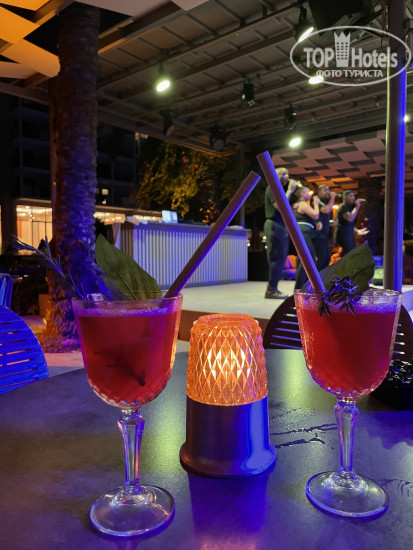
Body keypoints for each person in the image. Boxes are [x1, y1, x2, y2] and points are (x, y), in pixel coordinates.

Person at [263, 166, 297, 299]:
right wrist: (290, 191)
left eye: (287, 174)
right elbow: (279, 206)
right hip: (274, 224)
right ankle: (271, 290)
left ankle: (274, 288)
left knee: (281, 257)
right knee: (276, 257)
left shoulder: (279, 189)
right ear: (275, 176)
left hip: (280, 225)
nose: (287, 177)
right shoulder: (273, 187)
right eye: (284, 174)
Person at [292, 185, 320, 289]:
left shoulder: (298, 204)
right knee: (308, 259)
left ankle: (301, 287)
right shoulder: (302, 204)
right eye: (308, 192)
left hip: (303, 233)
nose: (310, 194)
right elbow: (315, 215)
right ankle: (299, 287)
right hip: (304, 233)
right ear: (302, 193)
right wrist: (316, 204)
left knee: (304, 259)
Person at [334, 190, 369, 256]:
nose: (353, 198)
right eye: (351, 196)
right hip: (343, 236)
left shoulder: (348, 207)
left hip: (348, 236)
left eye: (353, 196)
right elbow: (350, 218)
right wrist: (357, 207)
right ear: (344, 197)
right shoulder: (343, 207)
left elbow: (347, 224)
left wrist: (357, 231)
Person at [313, 184, 336, 271]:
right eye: (325, 190)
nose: (328, 192)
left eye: (328, 190)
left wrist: (331, 223)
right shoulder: (317, 201)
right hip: (318, 235)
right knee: (322, 259)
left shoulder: (323, 203)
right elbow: (326, 210)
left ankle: (322, 277)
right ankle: (314, 277)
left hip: (324, 235)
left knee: (327, 259)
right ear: (319, 192)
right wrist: (332, 198)